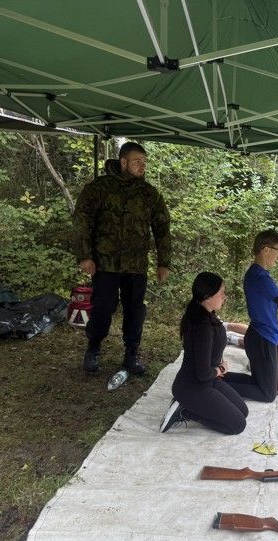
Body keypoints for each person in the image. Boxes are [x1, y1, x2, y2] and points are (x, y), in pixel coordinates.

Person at [73, 141, 171, 375]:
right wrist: (85, 256)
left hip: (136, 265)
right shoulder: (100, 188)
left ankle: (132, 354)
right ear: (123, 162)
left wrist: (164, 262)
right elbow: (81, 221)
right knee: (103, 308)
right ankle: (93, 349)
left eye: (144, 162)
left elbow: (162, 228)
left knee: (135, 311)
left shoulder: (149, 193)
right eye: (137, 161)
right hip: (106, 263)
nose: (142, 166)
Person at [160, 272, 248, 435]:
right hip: (192, 386)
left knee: (243, 411)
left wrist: (218, 365)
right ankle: (185, 411)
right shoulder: (202, 327)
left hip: (208, 381)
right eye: (221, 293)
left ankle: (190, 407)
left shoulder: (206, 314)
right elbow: (202, 373)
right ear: (208, 297)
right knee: (238, 425)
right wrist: (221, 369)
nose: (224, 297)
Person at [226, 229, 278, 403]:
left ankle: (218, 379)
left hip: (260, 335)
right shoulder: (261, 277)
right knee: (268, 394)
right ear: (266, 249)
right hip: (262, 338)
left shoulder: (256, 274)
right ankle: (214, 385)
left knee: (260, 383)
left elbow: (276, 303)